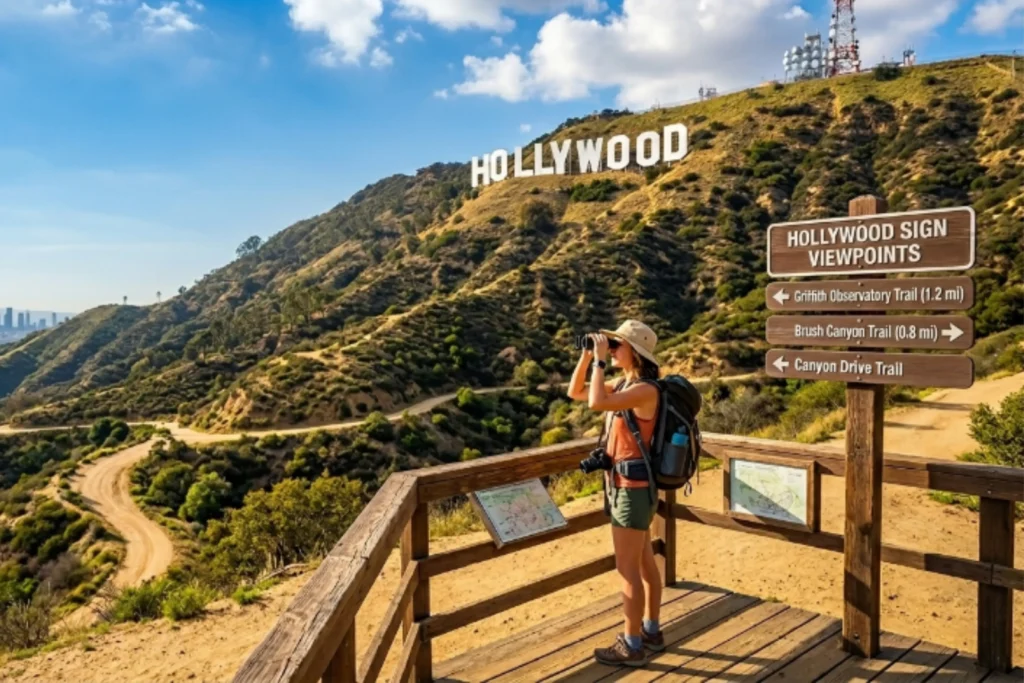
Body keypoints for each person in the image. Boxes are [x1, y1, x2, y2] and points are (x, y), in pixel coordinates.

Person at [566, 319, 664, 667]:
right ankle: (651, 628)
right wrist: (588, 355)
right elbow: (576, 393)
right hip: (634, 489)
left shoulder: (645, 390)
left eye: (617, 345)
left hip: (632, 490)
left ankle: (632, 643)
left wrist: (600, 361)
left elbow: (594, 403)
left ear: (634, 353)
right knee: (644, 562)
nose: (612, 349)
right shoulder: (627, 384)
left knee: (628, 572)